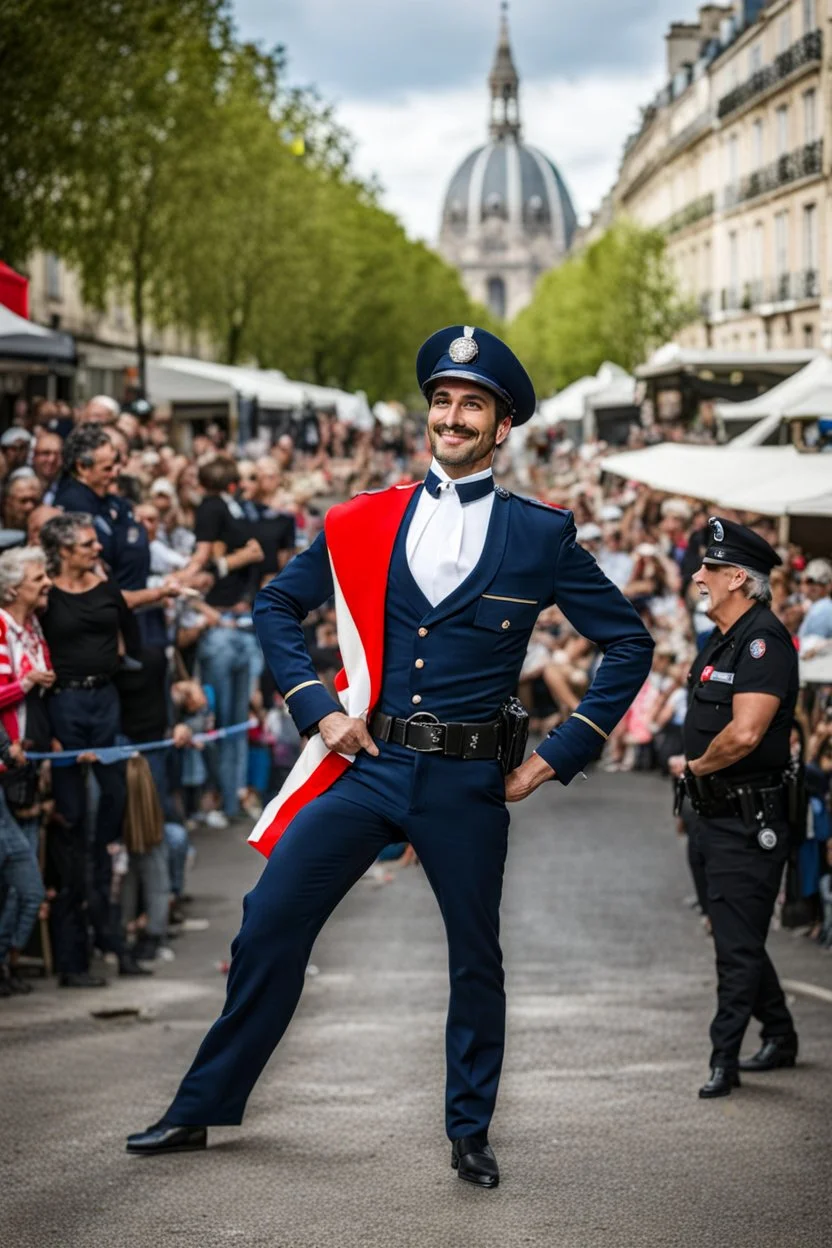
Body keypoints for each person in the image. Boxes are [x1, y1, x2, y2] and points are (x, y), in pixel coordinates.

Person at [127, 324, 654, 1184]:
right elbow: (273, 607)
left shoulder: (540, 534)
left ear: (501, 424)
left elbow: (627, 644)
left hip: (465, 782)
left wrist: (558, 755)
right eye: (442, 401)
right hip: (366, 767)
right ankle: (201, 1107)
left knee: (475, 958)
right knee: (268, 922)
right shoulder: (362, 519)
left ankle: (469, 1130)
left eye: (470, 404)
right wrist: (318, 709)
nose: (451, 416)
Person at [669, 517, 800, 1099]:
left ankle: (724, 1058)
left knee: (736, 942)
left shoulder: (762, 642)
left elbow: (746, 735)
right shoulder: (721, 639)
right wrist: (690, 794)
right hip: (710, 813)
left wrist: (695, 768)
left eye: (709, 569)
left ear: (738, 579)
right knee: (733, 931)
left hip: (749, 819)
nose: (698, 577)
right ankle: (781, 1030)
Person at [39, 513, 144, 984]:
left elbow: (130, 638)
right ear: (63, 550)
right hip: (63, 704)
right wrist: (49, 735)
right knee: (71, 826)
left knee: (109, 822)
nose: (96, 549)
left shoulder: (106, 587)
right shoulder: (47, 597)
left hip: (105, 701)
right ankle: (72, 958)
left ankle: (113, 941)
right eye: (86, 544)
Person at [32, 431, 64, 504]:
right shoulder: (20, 486)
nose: (51, 459)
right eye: (46, 453)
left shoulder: (71, 489)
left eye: (57, 454)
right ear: (34, 456)